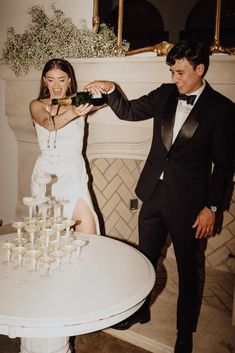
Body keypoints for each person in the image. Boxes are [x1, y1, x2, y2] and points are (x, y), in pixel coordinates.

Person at [85, 40, 235, 353]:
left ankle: (184, 332)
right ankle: (139, 311)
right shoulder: (164, 94)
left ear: (200, 69)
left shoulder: (222, 109)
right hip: (153, 194)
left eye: (180, 72)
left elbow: (224, 166)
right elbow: (128, 111)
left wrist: (211, 208)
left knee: (189, 269)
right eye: (172, 71)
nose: (174, 78)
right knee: (144, 259)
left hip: (191, 204)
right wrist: (111, 88)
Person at [29, 58, 100, 234]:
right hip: (47, 177)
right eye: (51, 79)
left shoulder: (78, 101)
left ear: (69, 80)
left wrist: (102, 90)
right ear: (44, 80)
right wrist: (74, 112)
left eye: (61, 79)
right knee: (49, 239)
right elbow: (48, 123)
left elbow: (108, 101)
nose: (56, 85)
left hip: (73, 175)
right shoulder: (37, 105)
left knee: (90, 235)